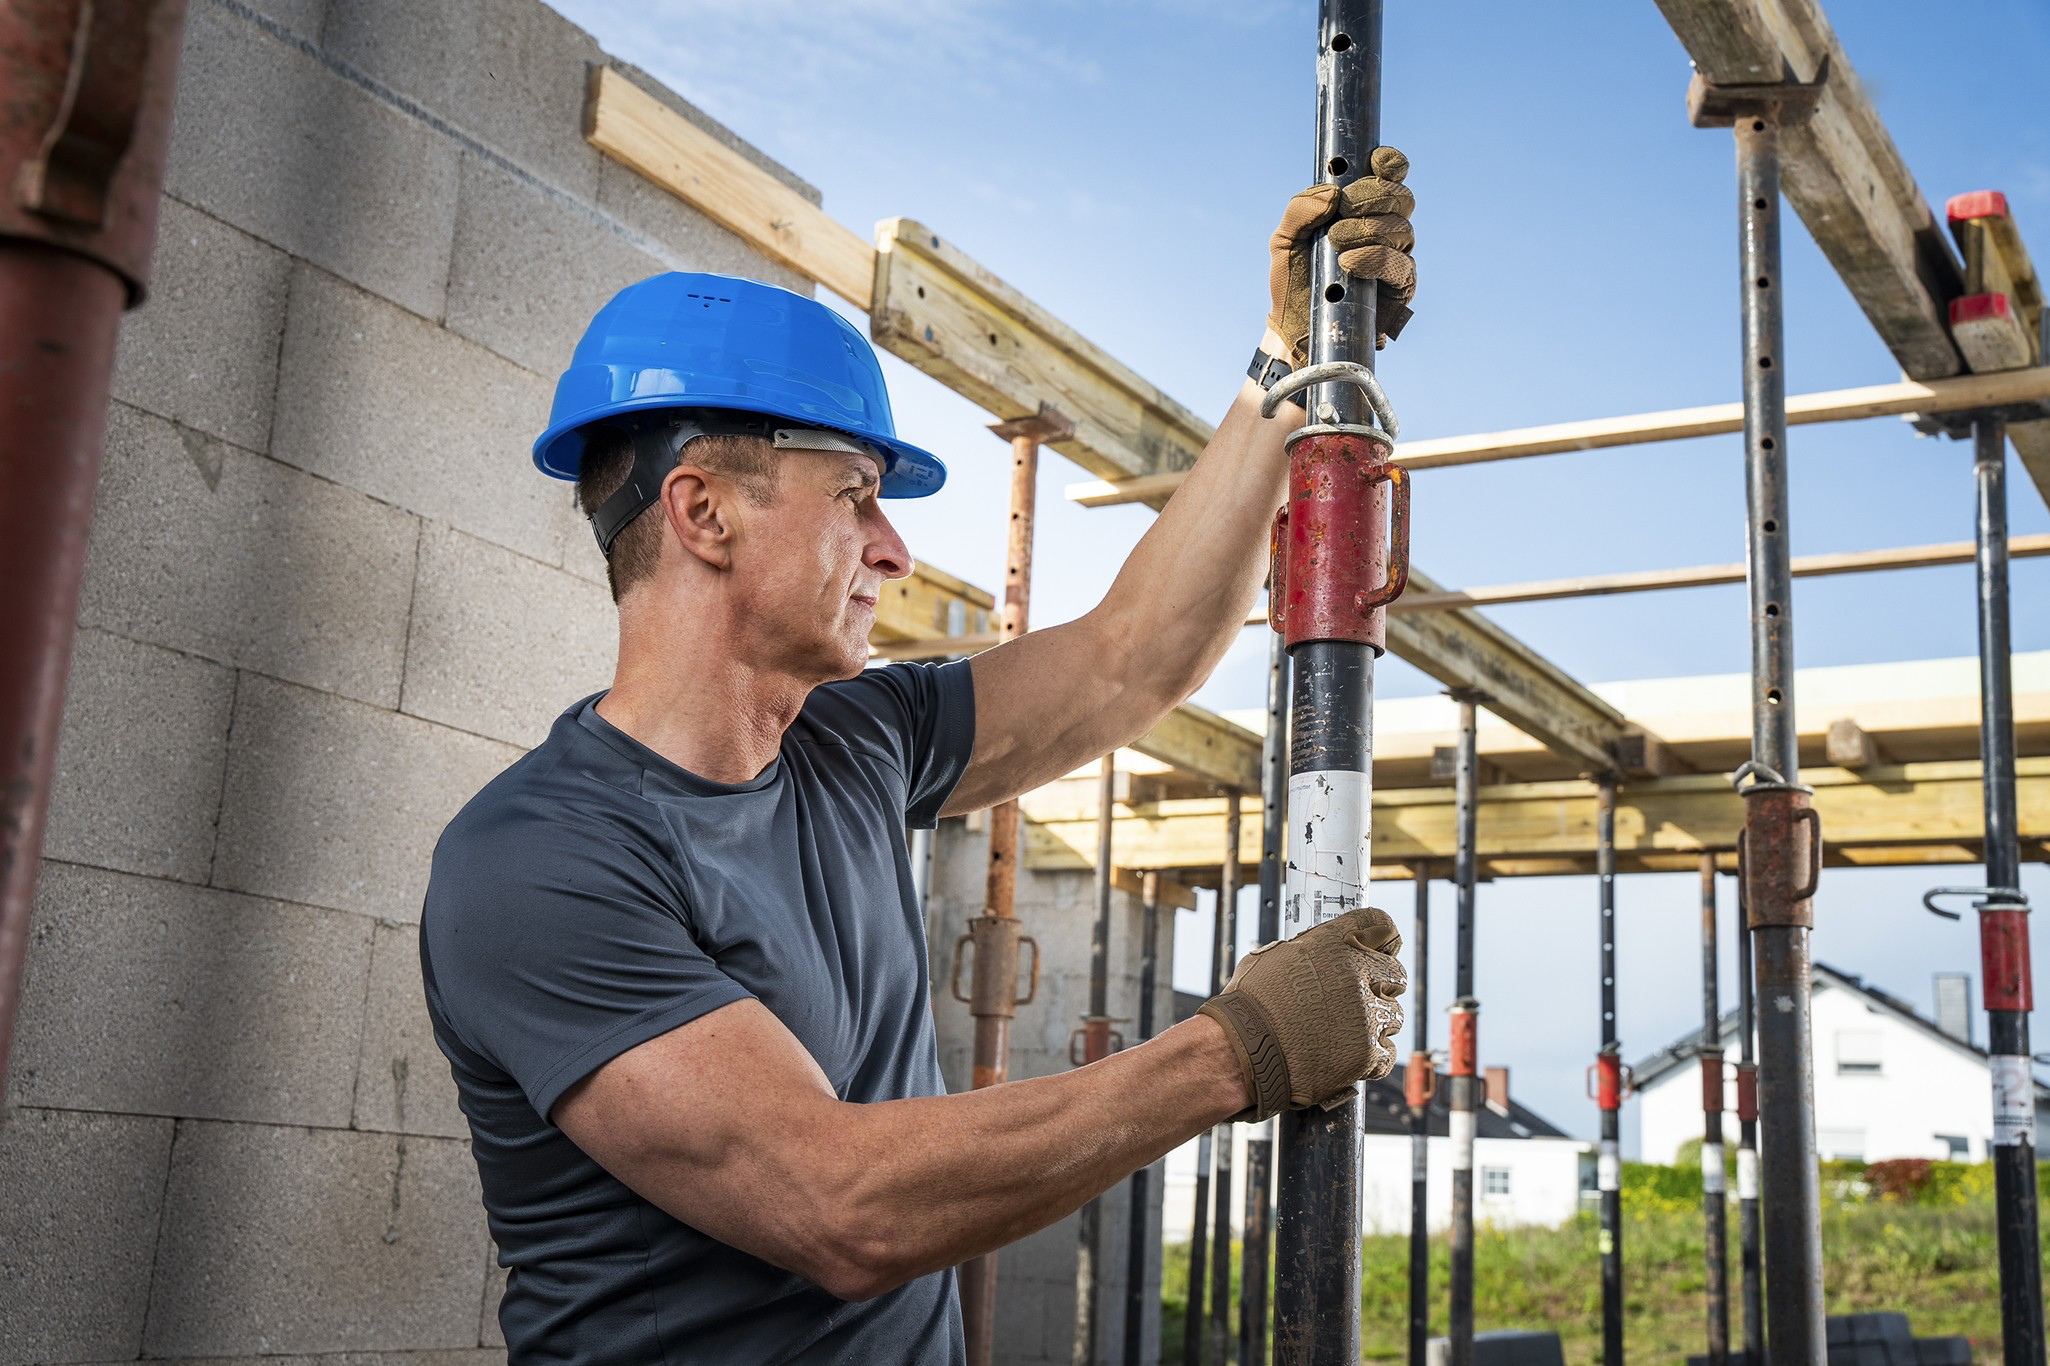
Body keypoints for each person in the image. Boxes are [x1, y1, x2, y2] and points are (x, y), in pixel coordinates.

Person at [421, 152, 1420, 1365]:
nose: (892, 550)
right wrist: (1238, 1049)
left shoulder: (854, 745)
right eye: (854, 495)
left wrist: (1283, 367)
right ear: (703, 513)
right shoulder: (537, 863)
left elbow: (1129, 659)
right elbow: (839, 1204)